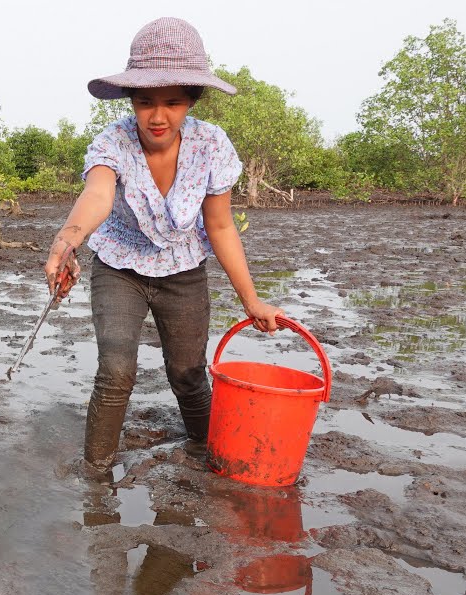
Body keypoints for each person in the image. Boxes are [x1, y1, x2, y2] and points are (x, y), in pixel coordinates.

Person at [44, 17, 285, 473]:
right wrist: (67, 240)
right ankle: (96, 476)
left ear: (192, 100)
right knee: (116, 373)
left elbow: (220, 227)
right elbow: (96, 195)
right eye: (145, 102)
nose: (158, 116)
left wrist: (251, 300)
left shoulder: (211, 145)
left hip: (184, 271)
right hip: (120, 270)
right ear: (131, 101)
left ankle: (211, 458)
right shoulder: (112, 142)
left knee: (188, 374)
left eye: (173, 102)